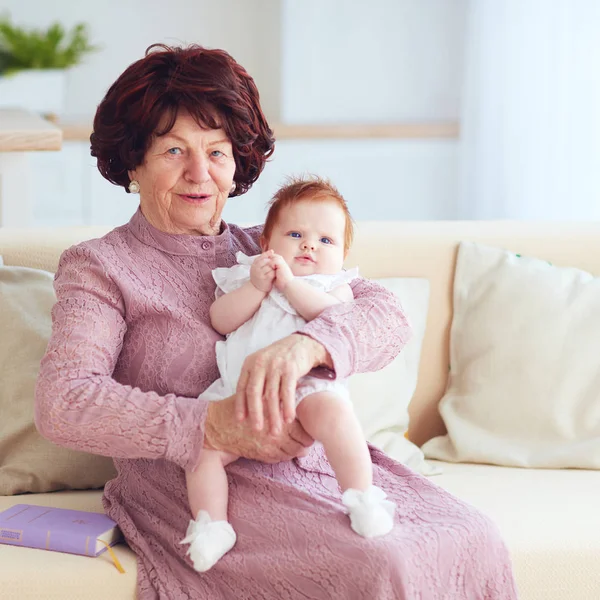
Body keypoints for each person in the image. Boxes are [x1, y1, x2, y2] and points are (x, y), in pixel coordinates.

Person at [35, 44, 518, 599]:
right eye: (173, 150)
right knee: (380, 563)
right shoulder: (101, 266)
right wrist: (209, 426)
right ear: (133, 162)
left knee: (471, 533)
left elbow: (386, 316)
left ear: (237, 161)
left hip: (314, 466)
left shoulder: (269, 247)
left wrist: (308, 346)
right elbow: (64, 401)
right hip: (195, 490)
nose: (199, 173)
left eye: (217, 152)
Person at [182, 176, 395, 572]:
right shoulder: (247, 276)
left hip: (307, 389)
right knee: (199, 447)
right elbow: (221, 319)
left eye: (326, 241)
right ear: (266, 244)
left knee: (336, 417)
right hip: (237, 393)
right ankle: (211, 524)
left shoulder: (337, 286)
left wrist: (291, 284)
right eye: (295, 233)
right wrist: (257, 287)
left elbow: (330, 318)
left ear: (343, 254)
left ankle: (362, 496)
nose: (309, 245)